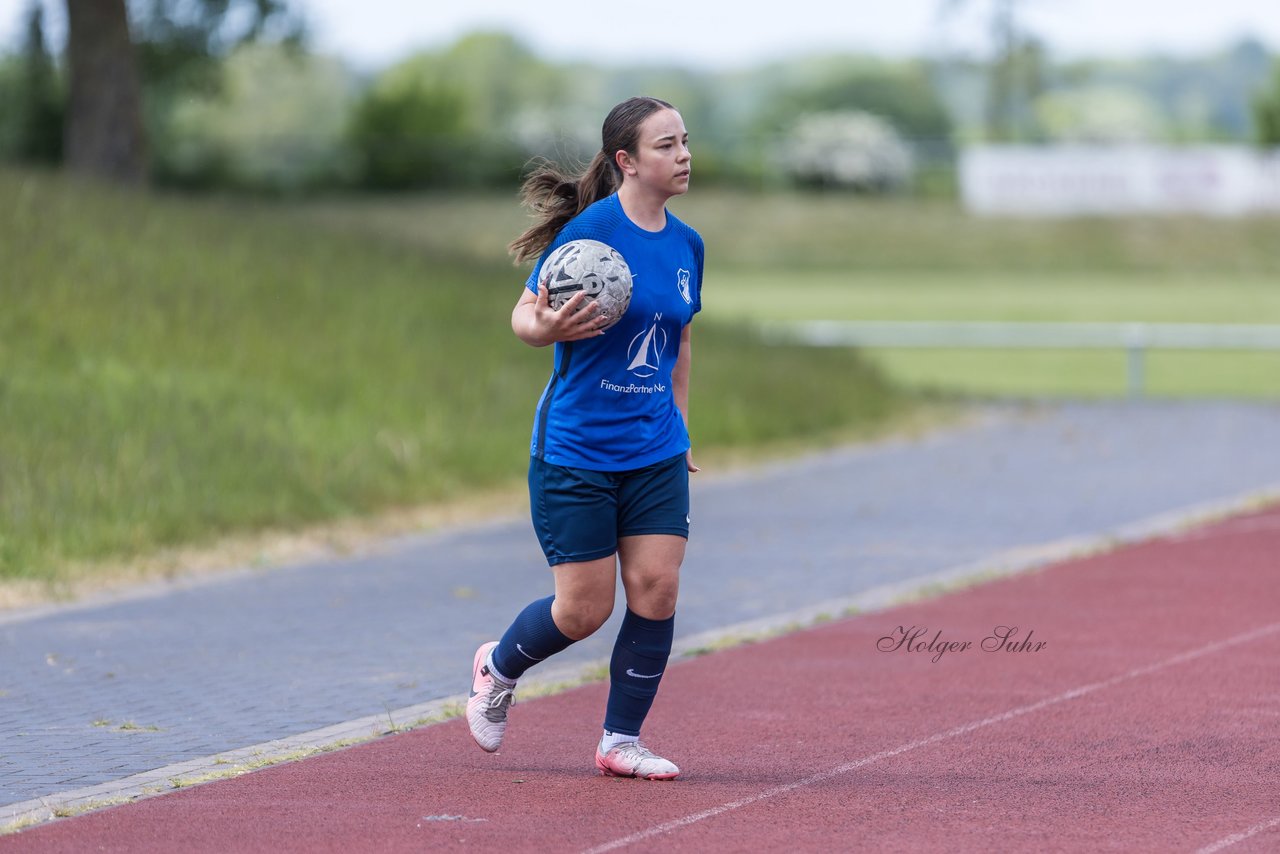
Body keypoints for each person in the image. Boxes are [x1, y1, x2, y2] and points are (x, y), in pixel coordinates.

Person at [466, 96, 703, 781]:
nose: (683, 155)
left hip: (655, 448)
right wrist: (542, 329)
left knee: (657, 589)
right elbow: (524, 313)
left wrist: (682, 425)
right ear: (626, 160)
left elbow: (680, 341)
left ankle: (620, 741)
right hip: (577, 451)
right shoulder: (589, 235)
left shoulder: (688, 244)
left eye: (685, 141)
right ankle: (497, 667)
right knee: (583, 611)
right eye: (666, 145)